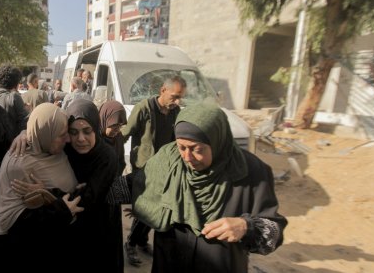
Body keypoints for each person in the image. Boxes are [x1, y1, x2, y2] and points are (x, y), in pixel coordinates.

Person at [132, 102, 287, 272]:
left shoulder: (251, 171)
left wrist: (246, 227)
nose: (187, 157)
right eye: (181, 147)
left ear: (217, 140)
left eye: (196, 149)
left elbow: (274, 234)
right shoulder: (168, 160)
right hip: (169, 263)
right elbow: (133, 184)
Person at [0, 103, 83, 272]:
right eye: (62, 135)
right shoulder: (20, 164)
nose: (68, 139)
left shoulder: (52, 150)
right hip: (27, 256)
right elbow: (16, 224)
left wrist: (24, 132)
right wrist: (60, 209)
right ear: (45, 133)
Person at [122, 76, 187, 266]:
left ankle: (141, 241)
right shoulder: (144, 109)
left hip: (165, 170)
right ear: (162, 91)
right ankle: (131, 243)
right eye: (174, 97)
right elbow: (126, 133)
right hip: (144, 169)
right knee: (144, 208)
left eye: (180, 97)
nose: (177, 101)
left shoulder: (175, 113)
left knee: (158, 208)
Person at [63, 99, 121, 273]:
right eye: (74, 132)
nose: (81, 139)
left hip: (100, 230)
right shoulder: (64, 150)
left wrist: (59, 197)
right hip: (69, 230)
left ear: (96, 128)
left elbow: (88, 199)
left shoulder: (106, 157)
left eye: (87, 131)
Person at [98, 100, 128, 272]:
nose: (117, 129)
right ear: (104, 120)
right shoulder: (93, 140)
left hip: (113, 195)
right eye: (114, 125)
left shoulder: (118, 139)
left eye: (120, 126)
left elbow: (121, 162)